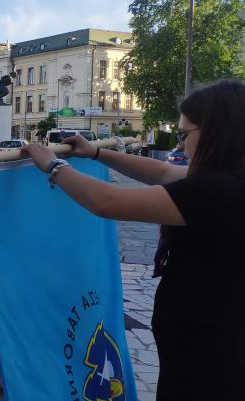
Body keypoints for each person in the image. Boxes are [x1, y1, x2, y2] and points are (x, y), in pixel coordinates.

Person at [22, 80, 245, 401]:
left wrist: (53, 165)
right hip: (213, 340)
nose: (180, 146)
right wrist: (96, 152)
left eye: (184, 135)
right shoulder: (230, 180)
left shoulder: (217, 190)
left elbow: (108, 202)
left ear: (215, 131)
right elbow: (164, 173)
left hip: (208, 349)